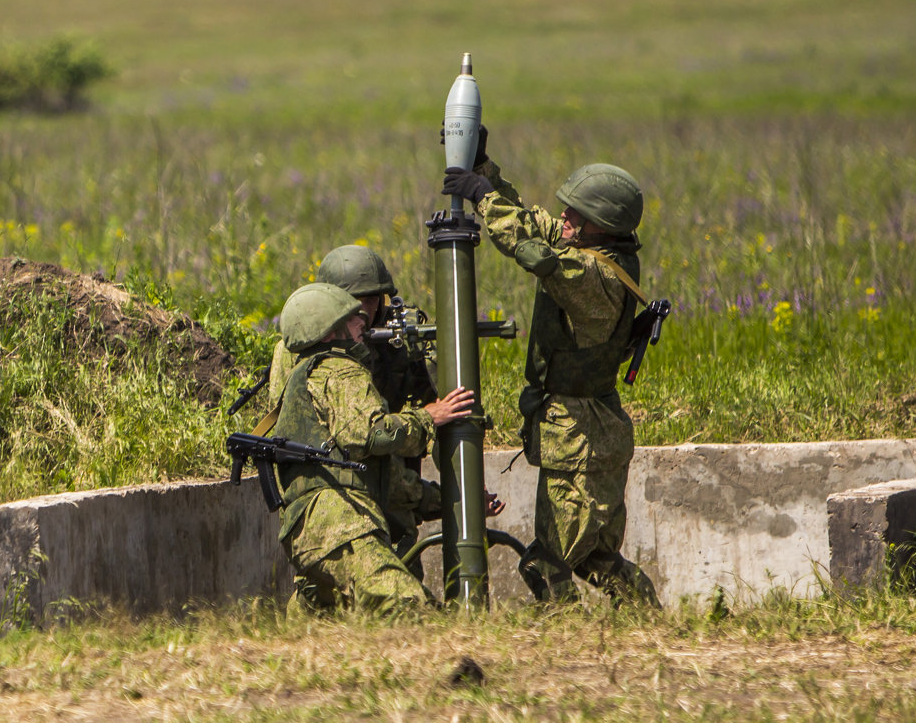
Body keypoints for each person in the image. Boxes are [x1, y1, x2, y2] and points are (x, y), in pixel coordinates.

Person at [441, 128, 653, 603]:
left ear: (598, 223)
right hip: (583, 433)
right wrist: (484, 171)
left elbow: (532, 250)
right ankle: (647, 621)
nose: (563, 216)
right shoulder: (596, 249)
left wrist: (482, 201)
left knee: (554, 561)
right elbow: (535, 223)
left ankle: (564, 636)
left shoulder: (594, 276)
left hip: (581, 436)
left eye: (574, 212)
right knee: (594, 559)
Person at [270, 282, 474, 613]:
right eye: (351, 318)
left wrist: (455, 502)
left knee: (322, 627)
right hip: (342, 528)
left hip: (313, 530)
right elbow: (370, 434)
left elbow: (391, 484)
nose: (363, 322)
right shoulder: (339, 368)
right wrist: (427, 417)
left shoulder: (305, 374)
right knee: (411, 609)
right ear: (328, 332)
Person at [267, 245, 444, 562]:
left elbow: (428, 408)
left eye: (374, 299)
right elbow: (347, 434)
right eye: (356, 300)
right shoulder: (298, 347)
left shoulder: (392, 338)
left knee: (403, 558)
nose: (366, 309)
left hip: (385, 468)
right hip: (332, 478)